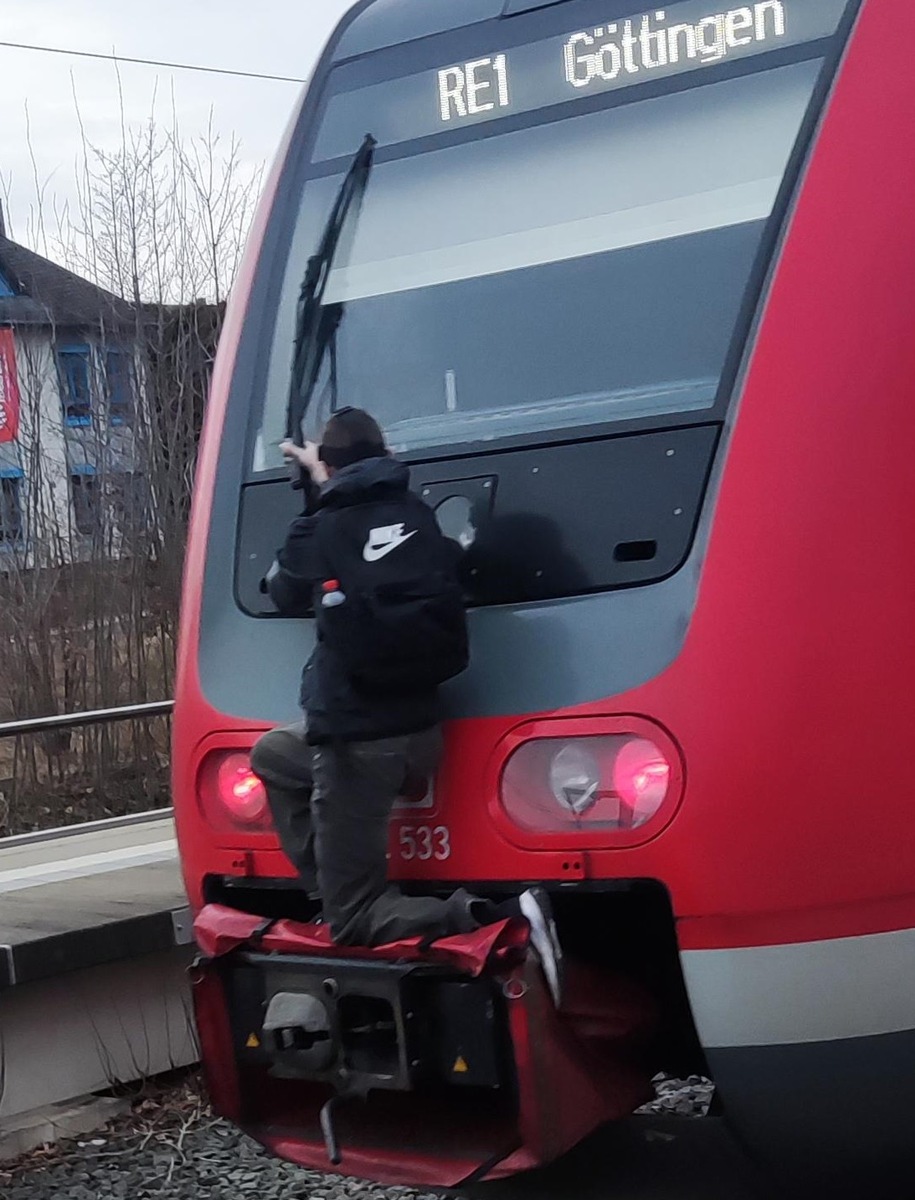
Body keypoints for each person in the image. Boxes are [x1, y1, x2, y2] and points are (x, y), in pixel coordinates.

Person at [251, 407, 563, 1005]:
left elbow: (281, 591)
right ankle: (335, 889)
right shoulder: (417, 514)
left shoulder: (320, 530)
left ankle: (489, 912)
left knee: (356, 921)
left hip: (357, 739)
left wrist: (315, 494)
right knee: (273, 755)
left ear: (330, 465)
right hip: (420, 730)